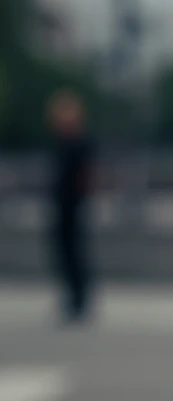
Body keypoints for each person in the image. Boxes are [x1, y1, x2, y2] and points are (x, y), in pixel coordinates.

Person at [46, 88, 95, 323]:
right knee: (66, 252)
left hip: (73, 205)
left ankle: (79, 299)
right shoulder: (64, 142)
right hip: (64, 205)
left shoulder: (79, 142)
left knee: (74, 252)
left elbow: (85, 176)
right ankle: (74, 298)